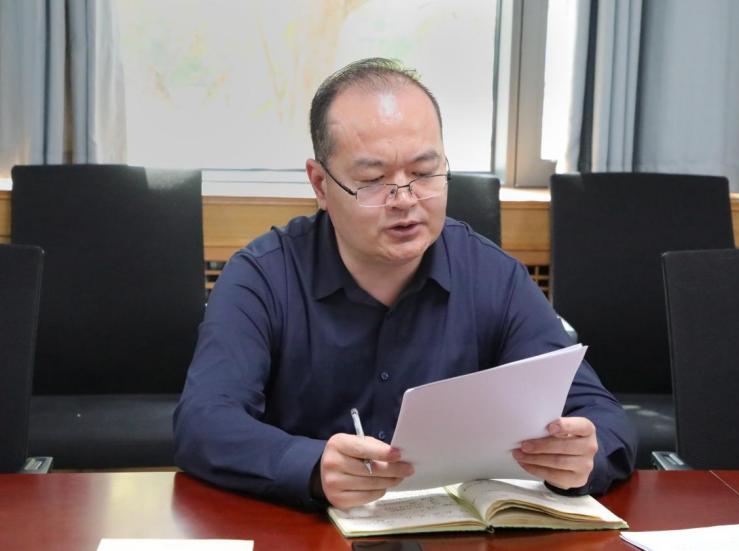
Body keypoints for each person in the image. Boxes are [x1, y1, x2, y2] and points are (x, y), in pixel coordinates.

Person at [174, 58, 636, 511]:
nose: (405, 199)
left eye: (424, 172)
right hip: (304, 532)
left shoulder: (493, 276)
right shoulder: (262, 277)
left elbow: (603, 417)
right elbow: (204, 421)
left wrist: (580, 457)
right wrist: (311, 466)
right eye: (373, 180)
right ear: (320, 184)